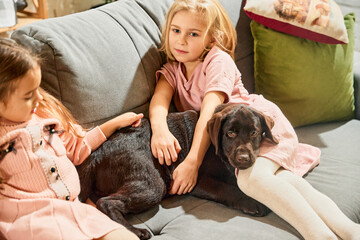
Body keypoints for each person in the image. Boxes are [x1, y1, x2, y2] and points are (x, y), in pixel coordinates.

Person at [149, 0, 360, 239]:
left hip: (257, 127)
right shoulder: (172, 71)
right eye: (175, 30)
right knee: (285, 180)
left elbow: (211, 111)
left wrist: (192, 162)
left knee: (250, 181)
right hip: (237, 139)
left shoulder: (218, 61)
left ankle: (319, 236)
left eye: (193, 33)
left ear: (212, 38)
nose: (181, 40)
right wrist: (160, 131)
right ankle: (351, 231)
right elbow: (158, 102)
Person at [0, 38, 142, 240]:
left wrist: (112, 125)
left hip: (75, 211)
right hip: (32, 220)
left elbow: (77, 148)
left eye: (38, 90)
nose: (39, 98)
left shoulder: (45, 115)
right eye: (28, 95)